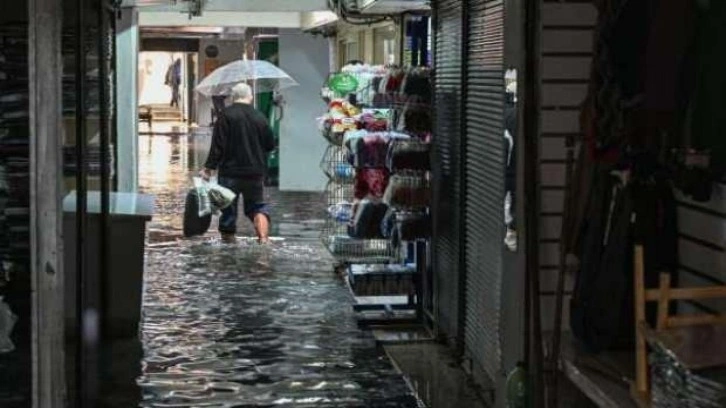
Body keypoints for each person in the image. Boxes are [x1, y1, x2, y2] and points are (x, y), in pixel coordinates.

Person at [199, 83, 275, 244]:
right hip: (255, 172)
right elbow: (270, 145)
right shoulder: (260, 116)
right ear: (250, 96)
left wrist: (208, 168)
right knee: (257, 207)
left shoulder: (225, 115)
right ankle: (263, 239)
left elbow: (217, 146)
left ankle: (229, 244)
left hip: (230, 172)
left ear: (233, 97)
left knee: (228, 210)